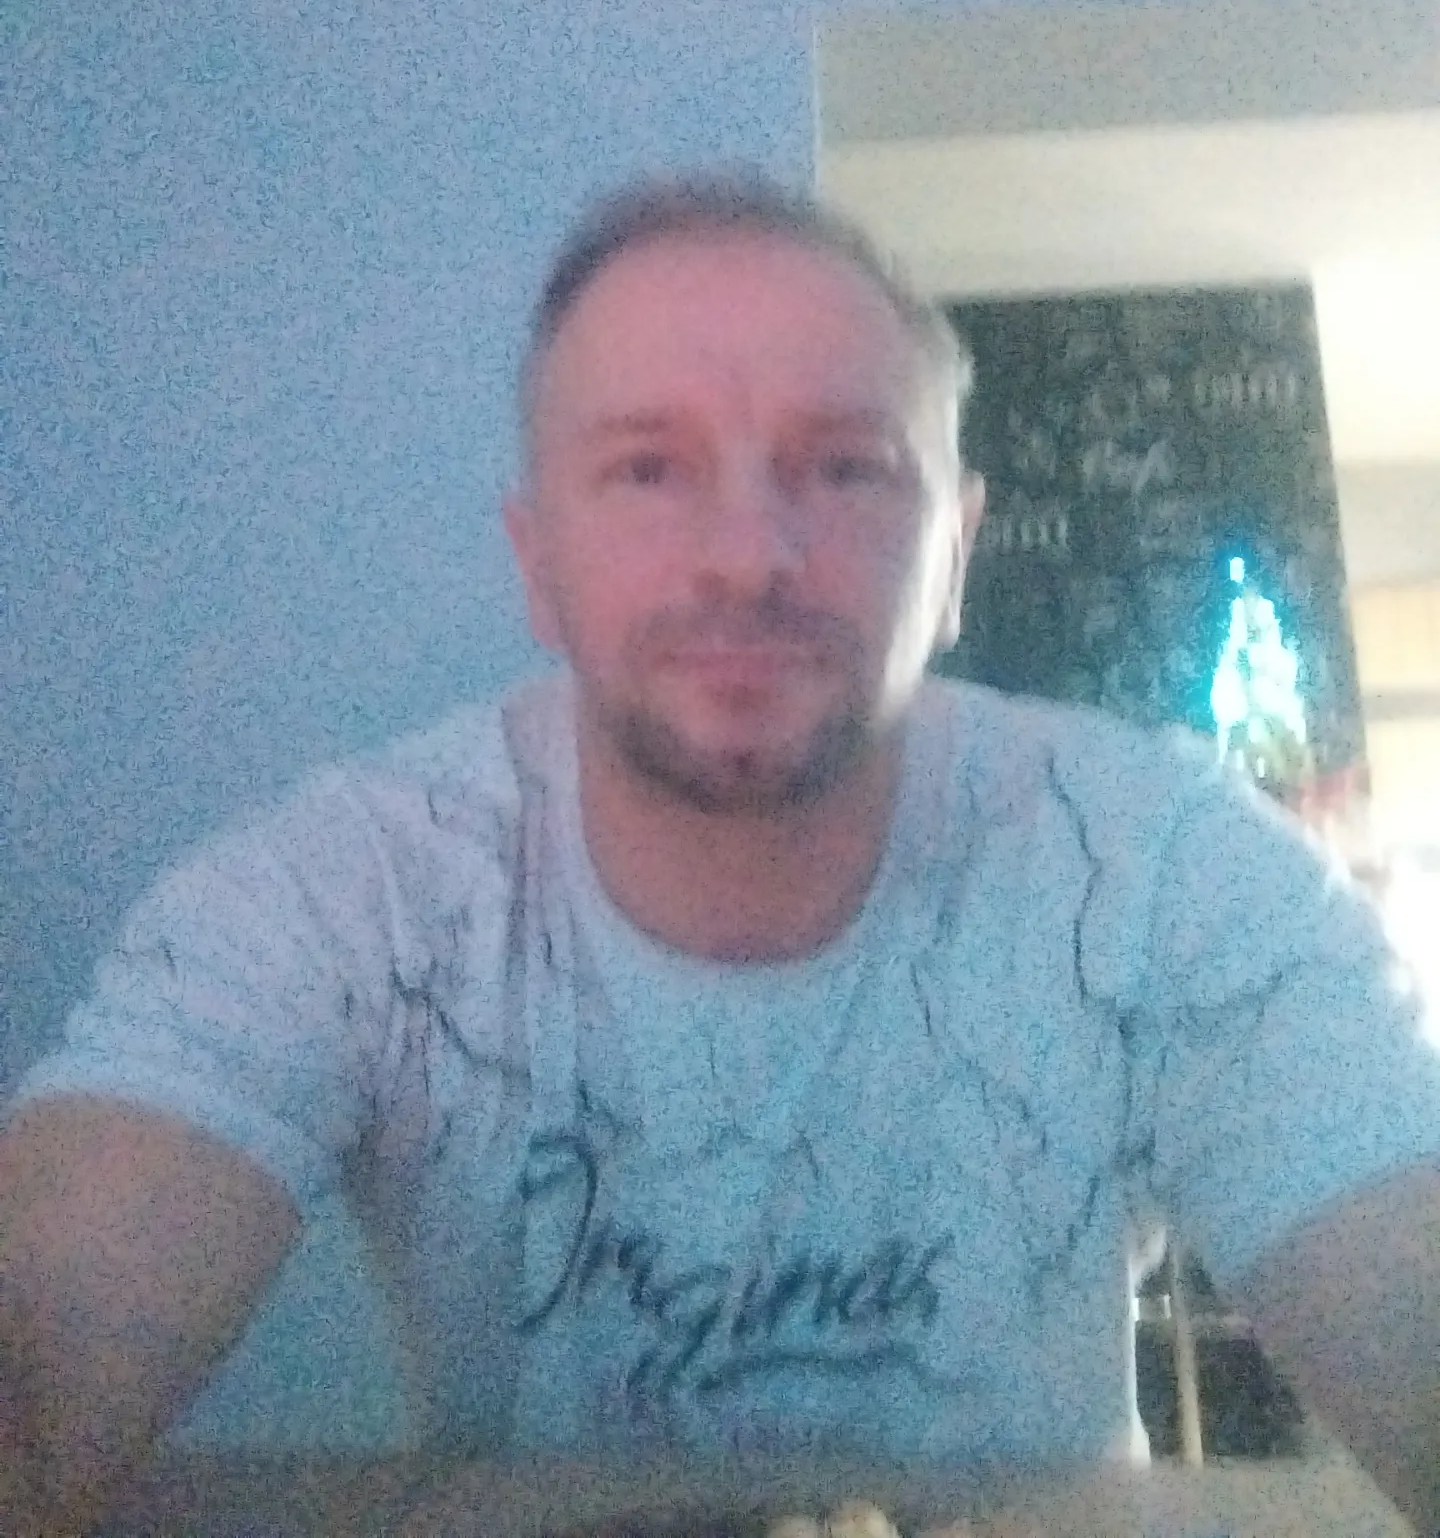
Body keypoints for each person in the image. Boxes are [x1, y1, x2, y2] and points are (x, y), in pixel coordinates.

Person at [3, 175, 1440, 1538]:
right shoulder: (346, 892)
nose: (748, 554)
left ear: (954, 556)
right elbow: (48, 1333)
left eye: (847, 467)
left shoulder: (1171, 871)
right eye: (648, 469)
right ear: (537, 560)